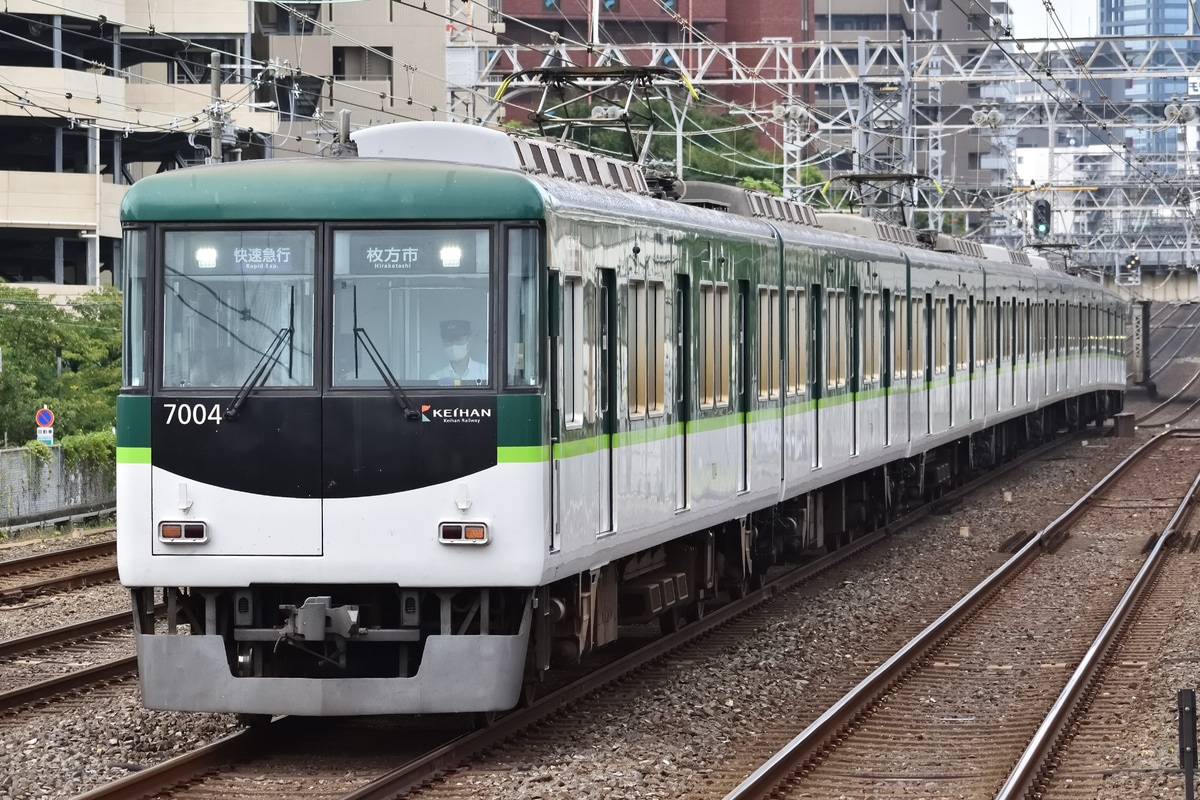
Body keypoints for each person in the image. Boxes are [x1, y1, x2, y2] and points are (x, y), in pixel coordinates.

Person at [429, 319, 487, 384]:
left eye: (458, 340)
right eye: (449, 341)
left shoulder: (485, 373)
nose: (453, 345)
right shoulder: (435, 378)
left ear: (469, 342)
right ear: (443, 343)